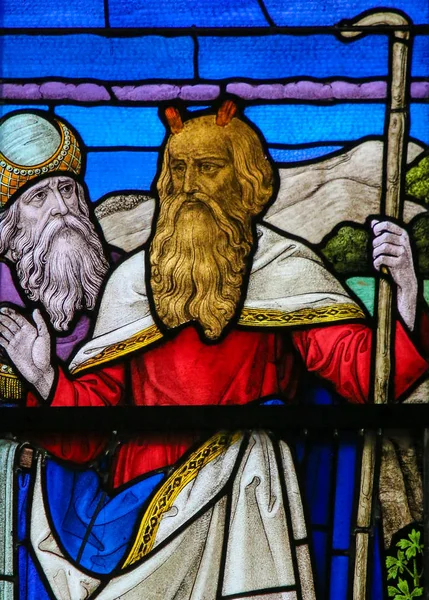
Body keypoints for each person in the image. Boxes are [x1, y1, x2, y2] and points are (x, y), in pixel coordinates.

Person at [1, 101, 428, 599]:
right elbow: (90, 432)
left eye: (208, 169)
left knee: (250, 448)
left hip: (249, 501)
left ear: (247, 185)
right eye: (177, 170)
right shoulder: (130, 285)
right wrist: (46, 379)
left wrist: (404, 291)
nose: (189, 186)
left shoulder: (286, 270)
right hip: (142, 513)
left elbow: (367, 377)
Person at [0, 110, 110, 404]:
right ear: (10, 225)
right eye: (39, 196)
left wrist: (44, 377)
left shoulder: (122, 278)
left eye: (66, 189)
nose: (61, 207)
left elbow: (107, 410)